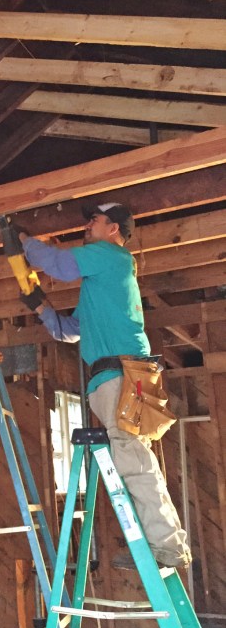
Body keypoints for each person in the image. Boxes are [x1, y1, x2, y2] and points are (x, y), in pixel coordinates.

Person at [16, 201, 191, 570]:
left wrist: (23, 240)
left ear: (113, 229)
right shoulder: (101, 283)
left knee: (134, 459)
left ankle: (168, 545)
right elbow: (68, 332)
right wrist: (40, 306)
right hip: (111, 377)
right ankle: (162, 542)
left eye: (94, 220)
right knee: (132, 459)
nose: (88, 226)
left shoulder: (112, 256)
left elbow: (61, 265)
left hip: (123, 375)